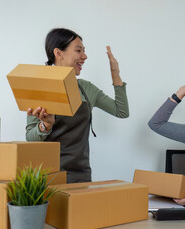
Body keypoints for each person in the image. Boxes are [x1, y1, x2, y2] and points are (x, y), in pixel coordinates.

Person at [26, 28, 129, 183]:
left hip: (80, 175)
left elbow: (121, 111)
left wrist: (115, 72)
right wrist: (45, 126)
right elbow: (30, 139)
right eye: (78, 50)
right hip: (48, 176)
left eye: (84, 51)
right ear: (58, 53)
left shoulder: (86, 88)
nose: (84, 56)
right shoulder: (40, 88)